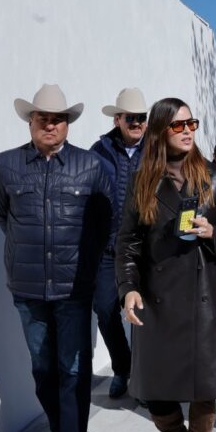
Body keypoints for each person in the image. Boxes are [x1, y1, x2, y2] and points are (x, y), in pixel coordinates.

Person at [115, 98, 216, 432]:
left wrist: (214, 233)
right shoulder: (142, 182)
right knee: (154, 392)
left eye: (192, 123)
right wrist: (128, 287)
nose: (188, 130)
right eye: (178, 125)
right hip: (157, 300)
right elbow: (128, 243)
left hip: (205, 297)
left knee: (203, 390)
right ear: (159, 131)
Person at [0, 84, 112, 432]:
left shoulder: (90, 166)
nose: (50, 125)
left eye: (58, 119)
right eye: (42, 118)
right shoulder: (7, 165)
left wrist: (88, 268)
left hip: (74, 288)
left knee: (73, 371)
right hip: (27, 288)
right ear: (30, 121)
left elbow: (103, 222)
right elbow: (4, 217)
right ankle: (59, 427)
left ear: (67, 124)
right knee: (43, 368)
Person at [90, 87, 147, 399]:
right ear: (117, 120)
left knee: (146, 314)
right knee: (104, 308)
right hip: (108, 248)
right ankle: (122, 367)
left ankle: (146, 377)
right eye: (130, 118)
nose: (136, 123)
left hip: (146, 249)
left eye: (141, 117)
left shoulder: (157, 151)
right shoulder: (98, 151)